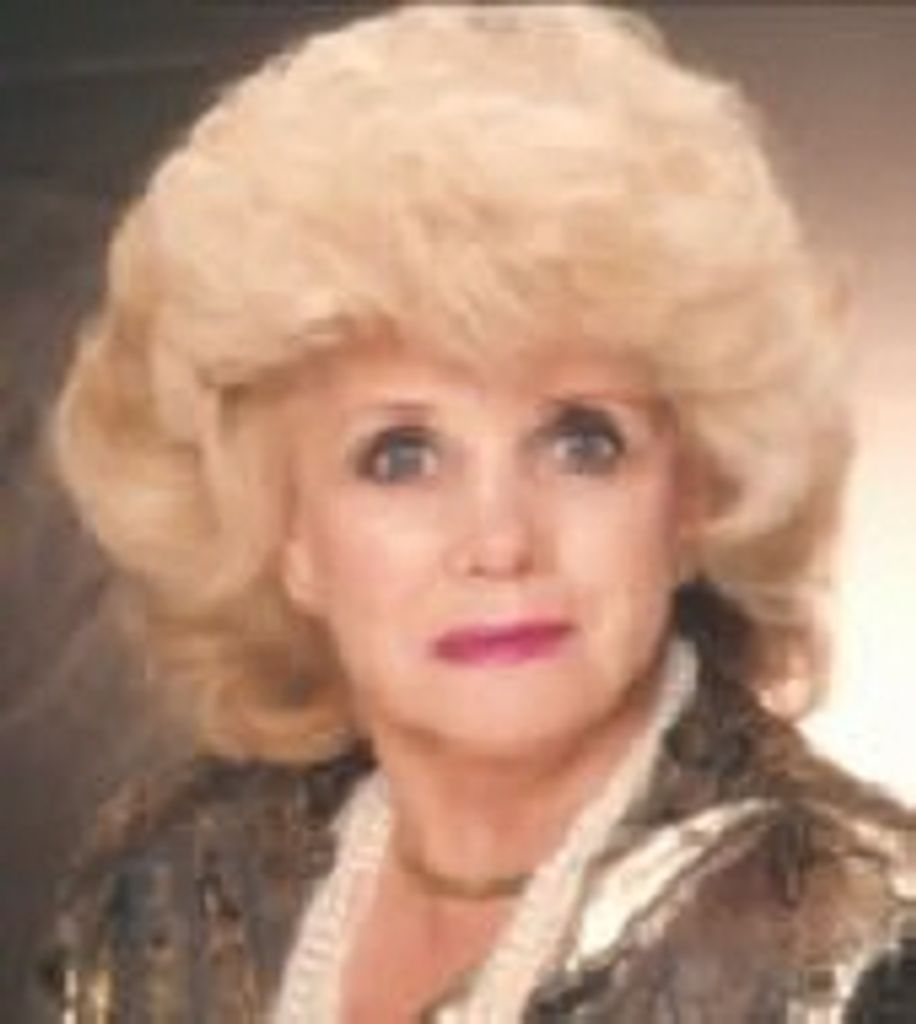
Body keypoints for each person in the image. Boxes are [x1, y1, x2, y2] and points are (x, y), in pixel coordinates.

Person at [37, 4, 915, 1021]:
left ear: (693, 495)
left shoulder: (860, 949)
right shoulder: (168, 885)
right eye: (399, 456)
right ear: (284, 532)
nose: (500, 542)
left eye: (582, 441)